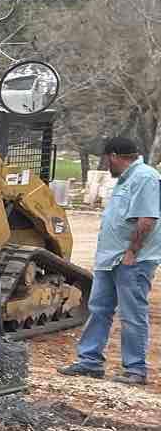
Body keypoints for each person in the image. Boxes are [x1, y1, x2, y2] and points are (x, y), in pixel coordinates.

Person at [61, 135, 159, 386]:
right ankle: (89, 361)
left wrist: (131, 254)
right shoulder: (126, 179)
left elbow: (147, 219)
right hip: (109, 259)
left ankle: (135, 369)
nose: (107, 165)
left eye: (107, 160)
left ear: (114, 156)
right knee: (99, 309)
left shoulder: (145, 178)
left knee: (132, 314)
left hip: (131, 261)